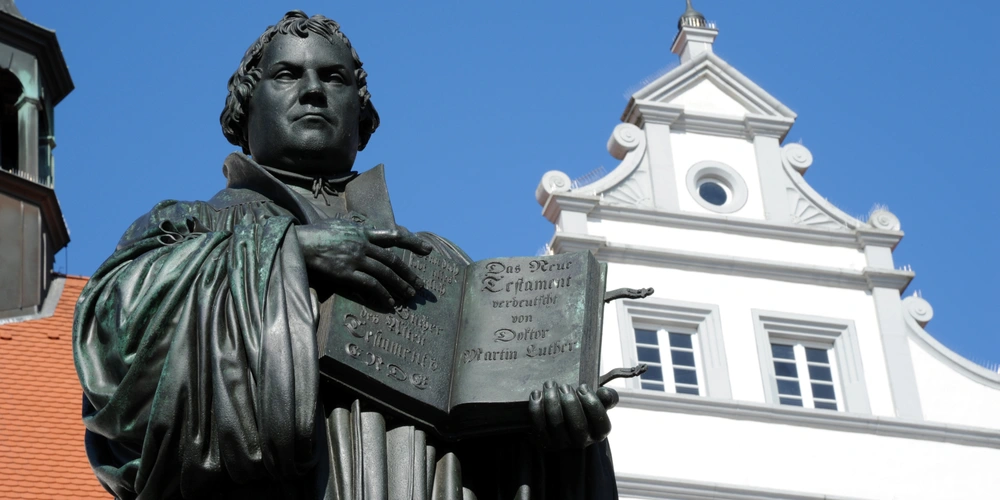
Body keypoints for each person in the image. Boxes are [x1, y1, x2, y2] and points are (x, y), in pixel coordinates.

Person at [74, 11, 618, 500]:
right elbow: (111, 345)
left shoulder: (443, 267)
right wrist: (288, 252)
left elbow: (490, 457)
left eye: (332, 78)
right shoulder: (190, 226)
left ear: (361, 118)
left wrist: (559, 444)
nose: (312, 90)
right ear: (245, 107)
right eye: (287, 74)